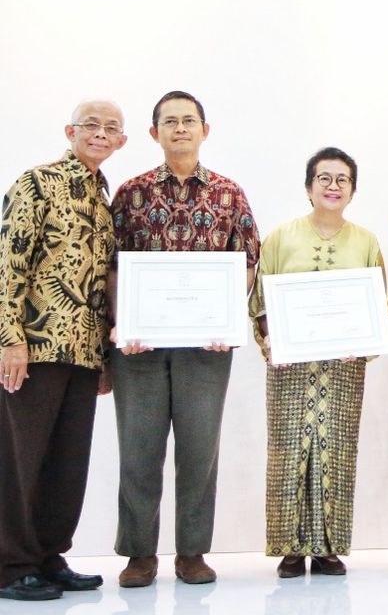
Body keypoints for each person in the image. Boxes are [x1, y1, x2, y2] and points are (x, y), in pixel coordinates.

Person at [108, 91, 260, 587]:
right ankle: (139, 555)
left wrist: (225, 320)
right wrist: (121, 323)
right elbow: (111, 267)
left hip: (206, 347)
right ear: (154, 133)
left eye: (188, 121)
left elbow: (248, 260)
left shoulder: (228, 194)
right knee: (138, 450)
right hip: (139, 349)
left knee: (200, 451)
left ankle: (192, 552)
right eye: (169, 122)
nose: (179, 129)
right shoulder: (129, 194)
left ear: (204, 130)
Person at [0, 102, 127, 602]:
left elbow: (99, 283)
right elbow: (10, 265)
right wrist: (9, 339)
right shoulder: (37, 182)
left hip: (83, 354)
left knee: (67, 461)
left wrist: (103, 357)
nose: (100, 134)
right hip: (35, 347)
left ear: (121, 141)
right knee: (20, 460)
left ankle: (49, 557)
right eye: (91, 125)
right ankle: (11, 566)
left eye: (111, 128)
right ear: (71, 131)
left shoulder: (102, 196)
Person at [251, 148, 383, 579]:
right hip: (291, 368)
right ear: (309, 188)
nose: (332, 186)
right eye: (324, 178)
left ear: (353, 190)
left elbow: (374, 305)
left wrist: (361, 343)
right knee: (289, 451)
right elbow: (260, 300)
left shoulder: (365, 241)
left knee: (337, 450)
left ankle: (328, 547)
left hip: (343, 368)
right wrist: (270, 339)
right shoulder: (281, 237)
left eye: (342, 179)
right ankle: (290, 548)